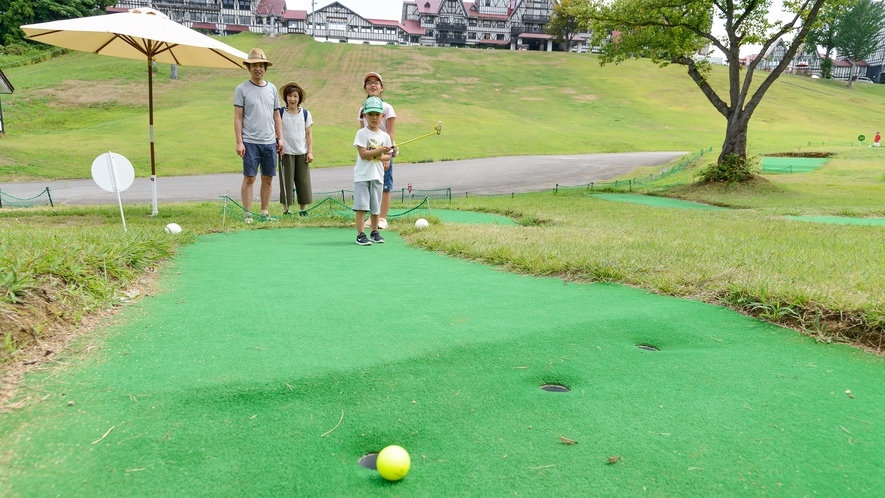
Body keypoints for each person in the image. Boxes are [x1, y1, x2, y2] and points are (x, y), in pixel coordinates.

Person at [234, 48, 283, 223]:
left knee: (268, 178)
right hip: (250, 141)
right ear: (249, 67)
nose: (258, 69)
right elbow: (238, 117)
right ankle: (247, 214)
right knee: (250, 178)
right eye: (254, 65)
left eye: (261, 65)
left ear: (265, 68)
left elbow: (277, 115)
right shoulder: (242, 89)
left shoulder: (272, 88)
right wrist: (239, 142)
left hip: (269, 141)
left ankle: (264, 212)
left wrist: (280, 138)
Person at [358, 72, 396, 229]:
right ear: (365, 88)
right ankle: (371, 217)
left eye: (376, 82)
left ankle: (382, 218)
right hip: (369, 153)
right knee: (369, 183)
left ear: (382, 87)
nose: (373, 85)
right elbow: (362, 131)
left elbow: (390, 132)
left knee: (385, 184)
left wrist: (388, 154)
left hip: (384, 150)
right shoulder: (362, 109)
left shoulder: (387, 107)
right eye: (369, 83)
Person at [353, 96, 392, 246]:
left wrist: (388, 155)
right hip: (362, 176)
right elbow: (363, 154)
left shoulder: (385, 136)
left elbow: (386, 157)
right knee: (362, 206)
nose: (374, 118)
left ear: (382, 116)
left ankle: (374, 232)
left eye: (377, 114)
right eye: (370, 114)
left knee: (375, 207)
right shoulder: (362, 134)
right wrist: (380, 150)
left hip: (377, 176)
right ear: (365, 116)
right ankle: (360, 234)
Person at [277, 81, 314, 215]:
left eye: (295, 96)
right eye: (290, 96)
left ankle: (303, 210)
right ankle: (286, 210)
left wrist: (310, 152)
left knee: (303, 182)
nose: (292, 99)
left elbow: (308, 134)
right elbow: (276, 131)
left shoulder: (305, 114)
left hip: (302, 152)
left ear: (299, 99)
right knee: (286, 183)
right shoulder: (280, 113)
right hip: (285, 153)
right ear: (286, 97)